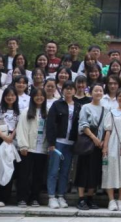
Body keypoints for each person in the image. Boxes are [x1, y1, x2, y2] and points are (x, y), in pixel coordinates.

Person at [46, 81, 80, 209]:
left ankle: (61, 195)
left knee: (65, 171)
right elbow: (50, 124)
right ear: (62, 90)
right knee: (53, 170)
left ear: (75, 91)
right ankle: (51, 196)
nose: (69, 91)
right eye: (66, 88)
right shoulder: (56, 105)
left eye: (71, 88)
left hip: (70, 143)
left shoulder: (78, 106)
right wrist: (51, 143)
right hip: (58, 142)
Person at [0, 85, 20, 207]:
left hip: (11, 141)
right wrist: (3, 136)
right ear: (4, 97)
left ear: (16, 97)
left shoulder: (18, 111)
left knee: (8, 168)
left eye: (12, 95)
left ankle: (3, 197)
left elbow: (18, 125)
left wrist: (11, 137)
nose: (10, 97)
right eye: (7, 95)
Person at [15, 88, 48, 208]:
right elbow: (21, 129)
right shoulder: (26, 112)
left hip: (42, 149)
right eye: (36, 95)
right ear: (32, 97)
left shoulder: (47, 112)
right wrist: (23, 145)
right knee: (24, 174)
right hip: (28, 148)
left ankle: (35, 198)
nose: (39, 98)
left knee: (38, 175)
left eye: (41, 95)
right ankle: (22, 198)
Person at [75, 83, 106, 210]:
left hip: (99, 145)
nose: (98, 93)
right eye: (96, 90)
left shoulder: (105, 109)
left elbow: (106, 127)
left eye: (100, 90)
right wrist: (94, 138)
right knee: (83, 170)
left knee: (94, 171)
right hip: (87, 142)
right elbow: (83, 124)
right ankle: (81, 198)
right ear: (91, 93)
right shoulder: (85, 107)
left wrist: (103, 142)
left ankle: (90, 197)